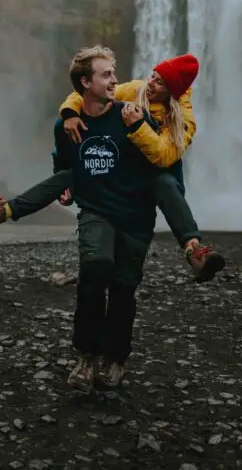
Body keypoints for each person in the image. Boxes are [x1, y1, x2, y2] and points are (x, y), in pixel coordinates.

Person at [0, 53, 224, 283]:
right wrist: (70, 112)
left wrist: (138, 127)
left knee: (165, 182)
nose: (150, 83)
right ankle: (1, 212)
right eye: (152, 76)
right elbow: (90, 91)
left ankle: (193, 249)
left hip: (153, 182)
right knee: (69, 175)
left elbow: (164, 156)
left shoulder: (183, 119)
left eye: (159, 83)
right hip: (120, 171)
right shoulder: (137, 90)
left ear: (172, 91)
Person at [45, 45, 164, 391]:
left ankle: (116, 357)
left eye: (114, 73)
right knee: (94, 268)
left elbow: (161, 156)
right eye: (106, 74)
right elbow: (63, 161)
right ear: (85, 81)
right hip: (96, 210)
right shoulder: (66, 125)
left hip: (134, 216)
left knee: (125, 288)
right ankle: (86, 356)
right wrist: (64, 186)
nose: (115, 80)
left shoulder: (131, 114)